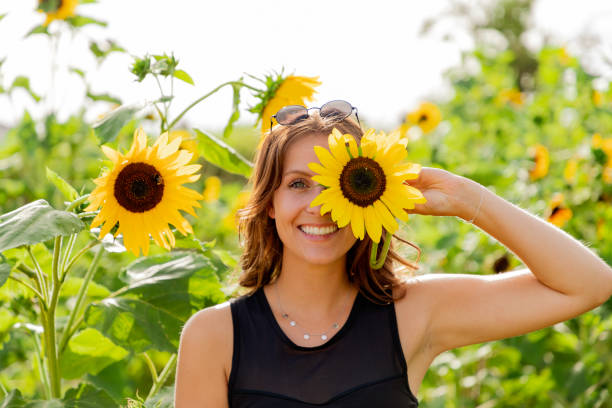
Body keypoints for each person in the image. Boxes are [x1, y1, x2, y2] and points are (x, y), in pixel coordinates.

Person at [174, 101, 612, 407]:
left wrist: (465, 199)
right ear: (269, 203)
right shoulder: (215, 337)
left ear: (370, 195)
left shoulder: (414, 313)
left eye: (337, 184)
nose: (321, 206)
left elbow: (589, 285)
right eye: (298, 184)